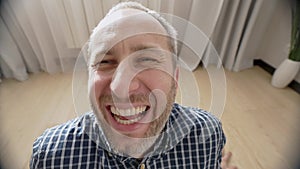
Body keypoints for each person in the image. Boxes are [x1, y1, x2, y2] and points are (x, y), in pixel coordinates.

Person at [30, 1, 237, 168]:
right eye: (105, 62)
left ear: (175, 76)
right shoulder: (50, 157)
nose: (121, 87)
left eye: (146, 60)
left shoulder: (208, 134)